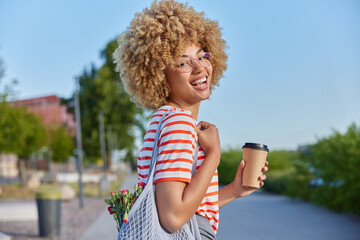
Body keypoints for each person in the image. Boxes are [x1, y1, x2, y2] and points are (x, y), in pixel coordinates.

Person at [113, 0, 268, 239]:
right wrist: (214, 155)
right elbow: (173, 217)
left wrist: (235, 190)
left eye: (202, 56)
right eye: (183, 62)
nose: (199, 68)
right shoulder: (178, 124)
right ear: (160, 77)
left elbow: (189, 207)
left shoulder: (162, 120)